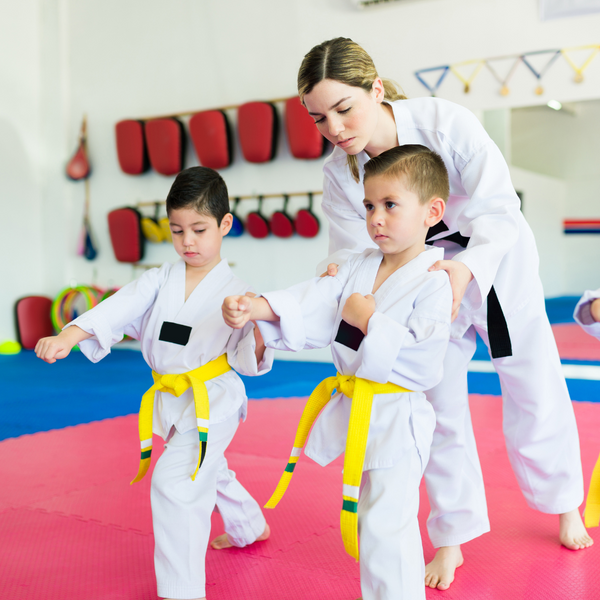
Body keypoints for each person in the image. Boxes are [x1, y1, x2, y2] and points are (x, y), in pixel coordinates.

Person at [295, 37, 593, 591]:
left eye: (344, 108)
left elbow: (500, 208)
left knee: (533, 382)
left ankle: (563, 504)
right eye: (319, 118)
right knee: (435, 401)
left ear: (376, 89)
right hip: (417, 281)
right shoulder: (340, 174)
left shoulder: (444, 124)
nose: (334, 129)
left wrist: (466, 270)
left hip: (494, 264)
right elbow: (349, 254)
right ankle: (451, 538)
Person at [223, 145, 453, 599]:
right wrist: (260, 308)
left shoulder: (435, 281)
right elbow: (315, 302)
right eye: (369, 206)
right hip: (361, 412)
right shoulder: (358, 266)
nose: (376, 219)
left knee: (388, 525)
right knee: (374, 520)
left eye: (390, 205)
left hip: (396, 414)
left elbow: (425, 358)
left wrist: (369, 321)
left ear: (432, 211)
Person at [35, 167, 273, 600]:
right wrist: (69, 335)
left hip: (213, 401)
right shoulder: (159, 279)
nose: (187, 241)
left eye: (199, 229)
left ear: (224, 225)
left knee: (175, 482)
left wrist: (255, 326)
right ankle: (249, 526)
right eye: (177, 229)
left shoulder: (239, 291)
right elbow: (118, 309)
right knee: (210, 469)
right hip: (171, 398)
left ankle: (182, 590)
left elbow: (251, 358)